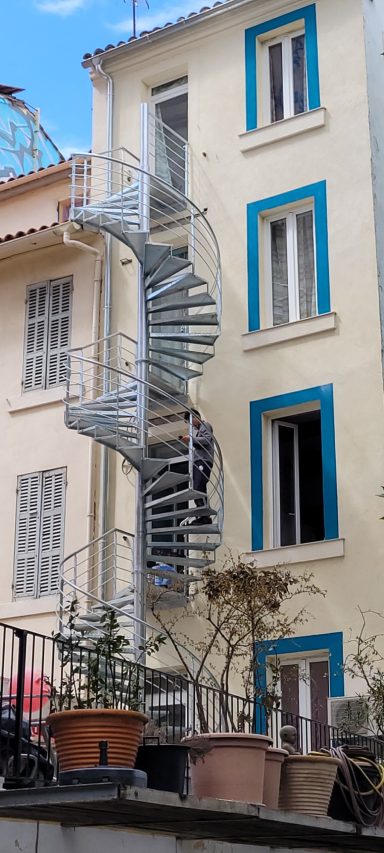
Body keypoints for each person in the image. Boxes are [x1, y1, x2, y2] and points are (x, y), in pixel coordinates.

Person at [181, 408, 214, 525]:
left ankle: (204, 515)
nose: (190, 424)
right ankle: (204, 516)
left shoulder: (205, 425)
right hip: (198, 461)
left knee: (198, 486)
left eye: (189, 421)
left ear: (196, 417)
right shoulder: (197, 430)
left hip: (203, 461)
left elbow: (207, 440)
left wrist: (191, 439)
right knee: (198, 488)